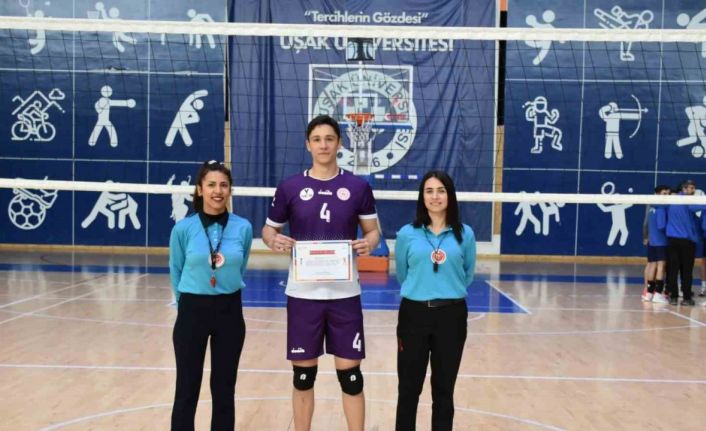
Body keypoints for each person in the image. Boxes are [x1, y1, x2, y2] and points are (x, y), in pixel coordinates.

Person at [261, 115, 380, 431]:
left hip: (345, 295)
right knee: (303, 377)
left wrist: (368, 243)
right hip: (303, 295)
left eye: (329, 139)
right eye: (317, 139)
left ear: (339, 143)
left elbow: (373, 231)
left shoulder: (357, 187)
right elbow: (269, 230)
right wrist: (273, 240)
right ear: (308, 145)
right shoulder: (290, 187)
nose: (323, 145)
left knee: (351, 377)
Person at [169, 160, 252, 431]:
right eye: (212, 185)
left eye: (224, 185)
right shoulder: (183, 229)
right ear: (200, 189)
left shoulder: (243, 227)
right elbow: (176, 270)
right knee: (186, 388)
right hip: (192, 310)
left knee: (224, 388)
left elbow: (241, 264)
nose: (218, 191)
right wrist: (187, 305)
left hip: (229, 310)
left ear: (230, 190)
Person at [394, 170, 477, 431]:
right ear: (422, 197)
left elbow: (468, 274)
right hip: (414, 315)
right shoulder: (407, 234)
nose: (435, 196)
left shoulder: (465, 234)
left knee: (444, 389)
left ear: (450, 195)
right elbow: (402, 274)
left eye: (441, 190)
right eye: (429, 191)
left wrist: (445, 289)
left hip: (451, 317)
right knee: (409, 388)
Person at [665, 180, 706, 306]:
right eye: (691, 188)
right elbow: (703, 206)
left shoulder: (671, 201)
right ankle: (686, 298)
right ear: (683, 189)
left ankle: (673, 297)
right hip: (686, 242)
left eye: (694, 188)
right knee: (686, 271)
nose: (693, 190)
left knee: (673, 270)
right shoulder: (690, 202)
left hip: (672, 240)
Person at [641, 185, 670, 304]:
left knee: (652, 265)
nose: (667, 196)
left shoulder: (651, 207)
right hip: (661, 241)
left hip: (652, 241)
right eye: (664, 193)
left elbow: (646, 224)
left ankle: (649, 293)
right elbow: (661, 226)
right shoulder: (661, 209)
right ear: (658, 194)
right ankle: (658, 293)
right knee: (661, 266)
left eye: (668, 194)